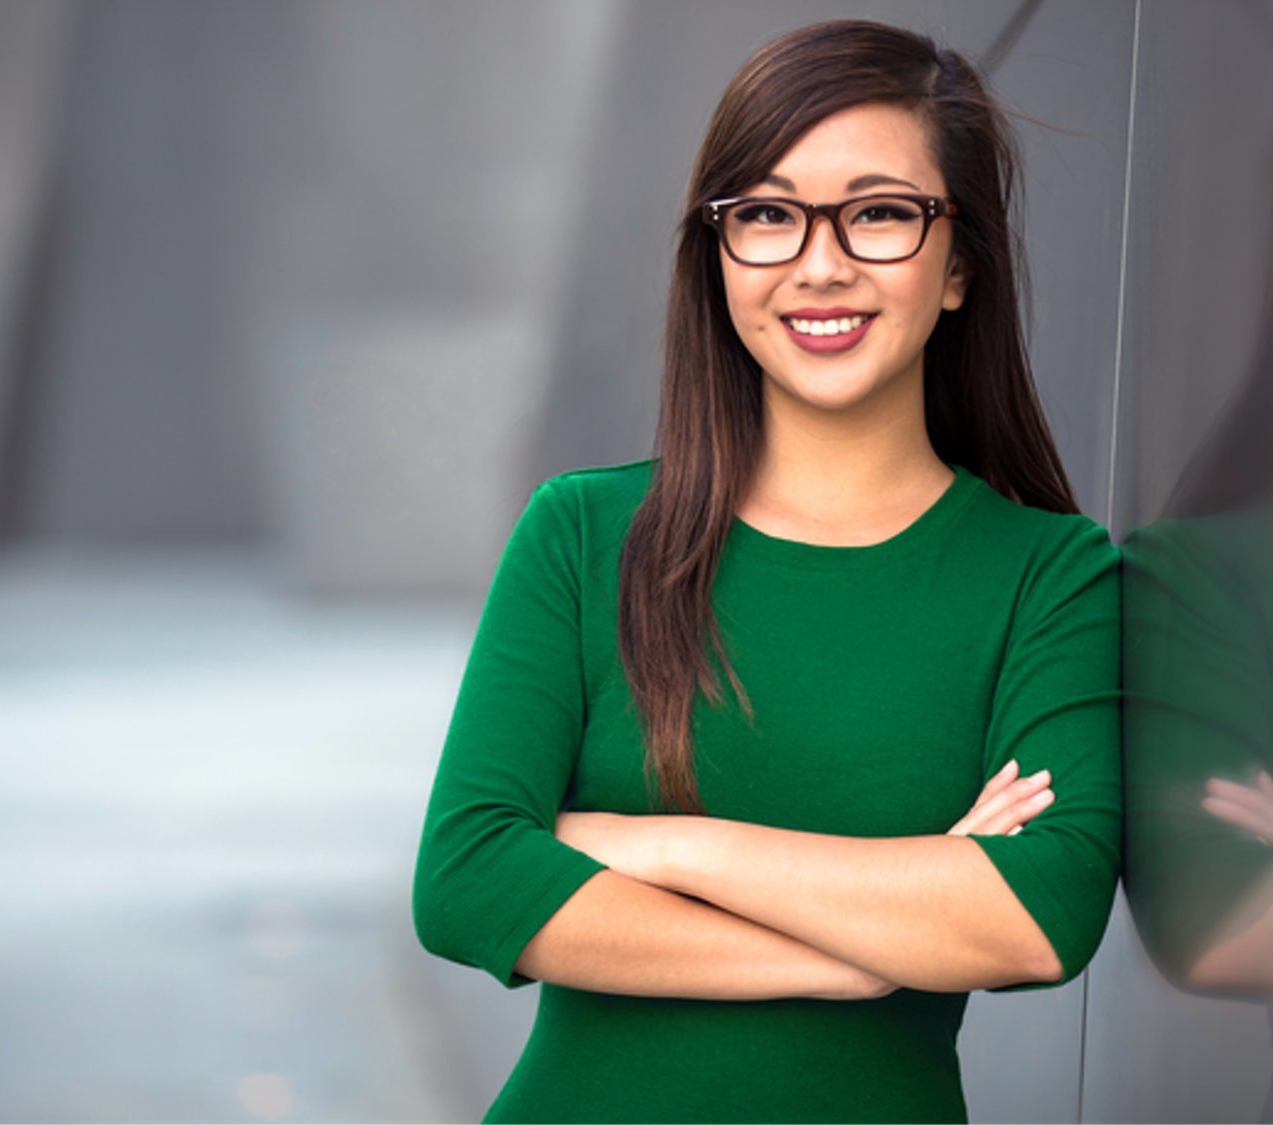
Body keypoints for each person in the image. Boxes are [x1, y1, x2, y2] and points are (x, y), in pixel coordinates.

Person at [412, 18, 1121, 1124]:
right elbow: (466, 885)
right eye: (768, 217)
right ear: (721, 255)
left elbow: (1039, 918)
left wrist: (658, 844)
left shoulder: (1048, 574)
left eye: (881, 212)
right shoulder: (587, 534)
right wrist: (861, 953)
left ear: (960, 265)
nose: (819, 263)